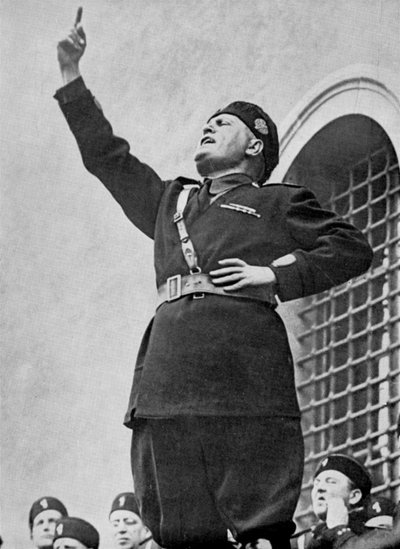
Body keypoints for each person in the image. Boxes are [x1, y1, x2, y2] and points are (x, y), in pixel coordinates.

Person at [55, 9, 373, 549]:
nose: (209, 126)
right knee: (181, 531)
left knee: (260, 526)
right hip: (168, 382)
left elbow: (351, 247)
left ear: (255, 146)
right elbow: (107, 158)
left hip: (243, 376)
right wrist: (70, 76)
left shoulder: (277, 202)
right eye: (209, 121)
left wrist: (273, 275)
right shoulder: (170, 202)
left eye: (224, 123)